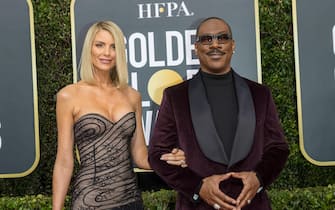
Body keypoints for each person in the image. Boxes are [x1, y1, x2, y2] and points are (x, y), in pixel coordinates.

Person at [148, 17, 289, 210]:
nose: (215, 44)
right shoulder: (175, 96)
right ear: (196, 47)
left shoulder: (260, 94)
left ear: (233, 45)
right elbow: (157, 155)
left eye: (222, 38)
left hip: (251, 205)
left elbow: (278, 148)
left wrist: (258, 178)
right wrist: (198, 187)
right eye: (207, 39)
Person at [52, 20, 187, 210]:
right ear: (89, 49)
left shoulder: (132, 96)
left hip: (130, 200)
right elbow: (65, 161)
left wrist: (168, 159)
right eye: (100, 45)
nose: (106, 53)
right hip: (89, 203)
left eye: (113, 47)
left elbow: (140, 156)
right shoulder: (69, 96)